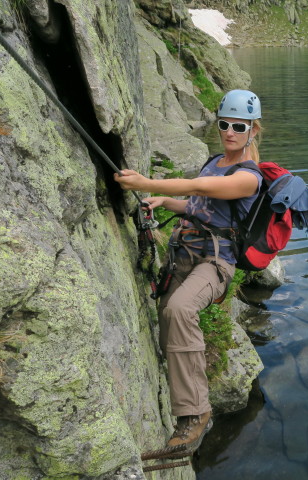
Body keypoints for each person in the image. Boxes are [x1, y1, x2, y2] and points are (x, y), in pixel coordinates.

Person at [114, 89, 264, 449]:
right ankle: (181, 386)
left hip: (215, 263)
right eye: (224, 124)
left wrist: (146, 182)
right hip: (185, 253)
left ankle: (195, 412)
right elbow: (199, 203)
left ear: (253, 131)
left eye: (238, 126)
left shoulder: (249, 177)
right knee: (167, 312)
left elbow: (200, 186)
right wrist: (166, 201)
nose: (229, 131)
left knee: (180, 309)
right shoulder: (215, 161)